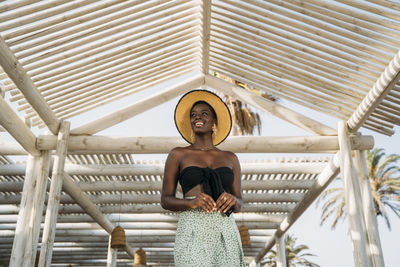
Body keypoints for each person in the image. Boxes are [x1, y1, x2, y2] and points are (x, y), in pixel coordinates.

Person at [161, 89, 246, 267]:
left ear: (214, 121)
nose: (197, 118)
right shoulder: (178, 154)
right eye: (193, 115)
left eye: (204, 114)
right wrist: (191, 203)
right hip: (192, 228)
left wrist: (232, 199)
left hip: (225, 229)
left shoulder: (231, 158)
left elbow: (239, 203)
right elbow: (165, 200)